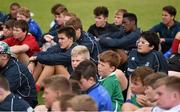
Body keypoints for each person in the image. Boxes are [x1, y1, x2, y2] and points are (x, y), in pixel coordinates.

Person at [0, 41, 38, 108]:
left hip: (26, 103)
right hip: (13, 98)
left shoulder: (15, 71)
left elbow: (3, 91)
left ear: (4, 56)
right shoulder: (3, 64)